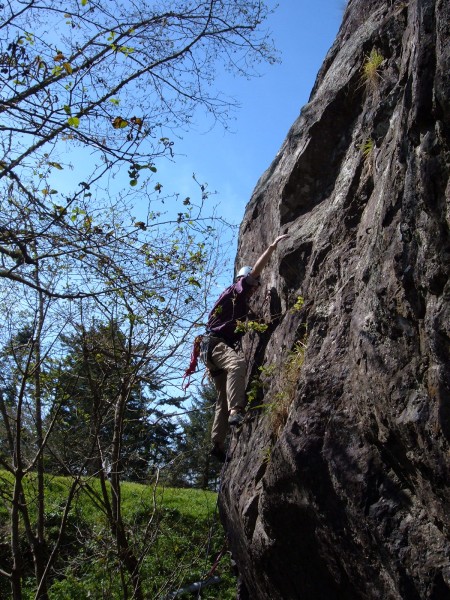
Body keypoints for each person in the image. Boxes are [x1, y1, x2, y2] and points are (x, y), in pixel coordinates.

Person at [204, 235, 289, 462]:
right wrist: (271, 247)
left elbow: (256, 323)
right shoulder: (234, 291)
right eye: (252, 288)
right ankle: (237, 411)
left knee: (222, 398)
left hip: (210, 350)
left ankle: (217, 444)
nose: (253, 291)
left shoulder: (237, 306)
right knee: (237, 364)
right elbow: (253, 275)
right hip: (215, 344)